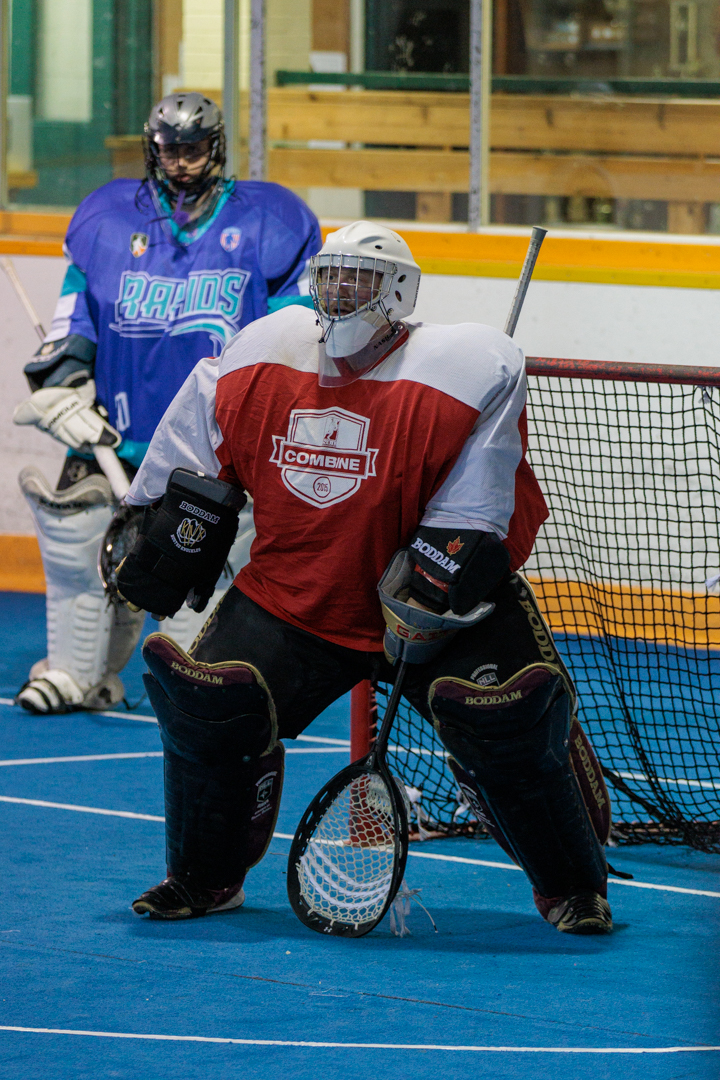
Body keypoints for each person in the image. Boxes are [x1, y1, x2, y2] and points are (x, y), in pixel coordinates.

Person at [115, 220, 613, 935]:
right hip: (295, 599)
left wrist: (442, 581)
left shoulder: (466, 370)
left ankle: (573, 888)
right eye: (333, 277)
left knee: (505, 722)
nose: (343, 293)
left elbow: (485, 505)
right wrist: (150, 520)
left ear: (400, 291)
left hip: (440, 618)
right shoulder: (261, 353)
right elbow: (190, 455)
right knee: (209, 711)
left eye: (362, 279)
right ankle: (202, 878)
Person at [12, 91, 321, 715]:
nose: (181, 161)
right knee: (78, 547)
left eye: (193, 148)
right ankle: (79, 671)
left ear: (217, 146)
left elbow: (294, 327)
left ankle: (195, 675)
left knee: (204, 561)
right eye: (170, 149)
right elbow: (77, 313)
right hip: (115, 433)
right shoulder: (107, 218)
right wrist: (63, 383)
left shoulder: (271, 220)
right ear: (154, 149)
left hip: (211, 438)